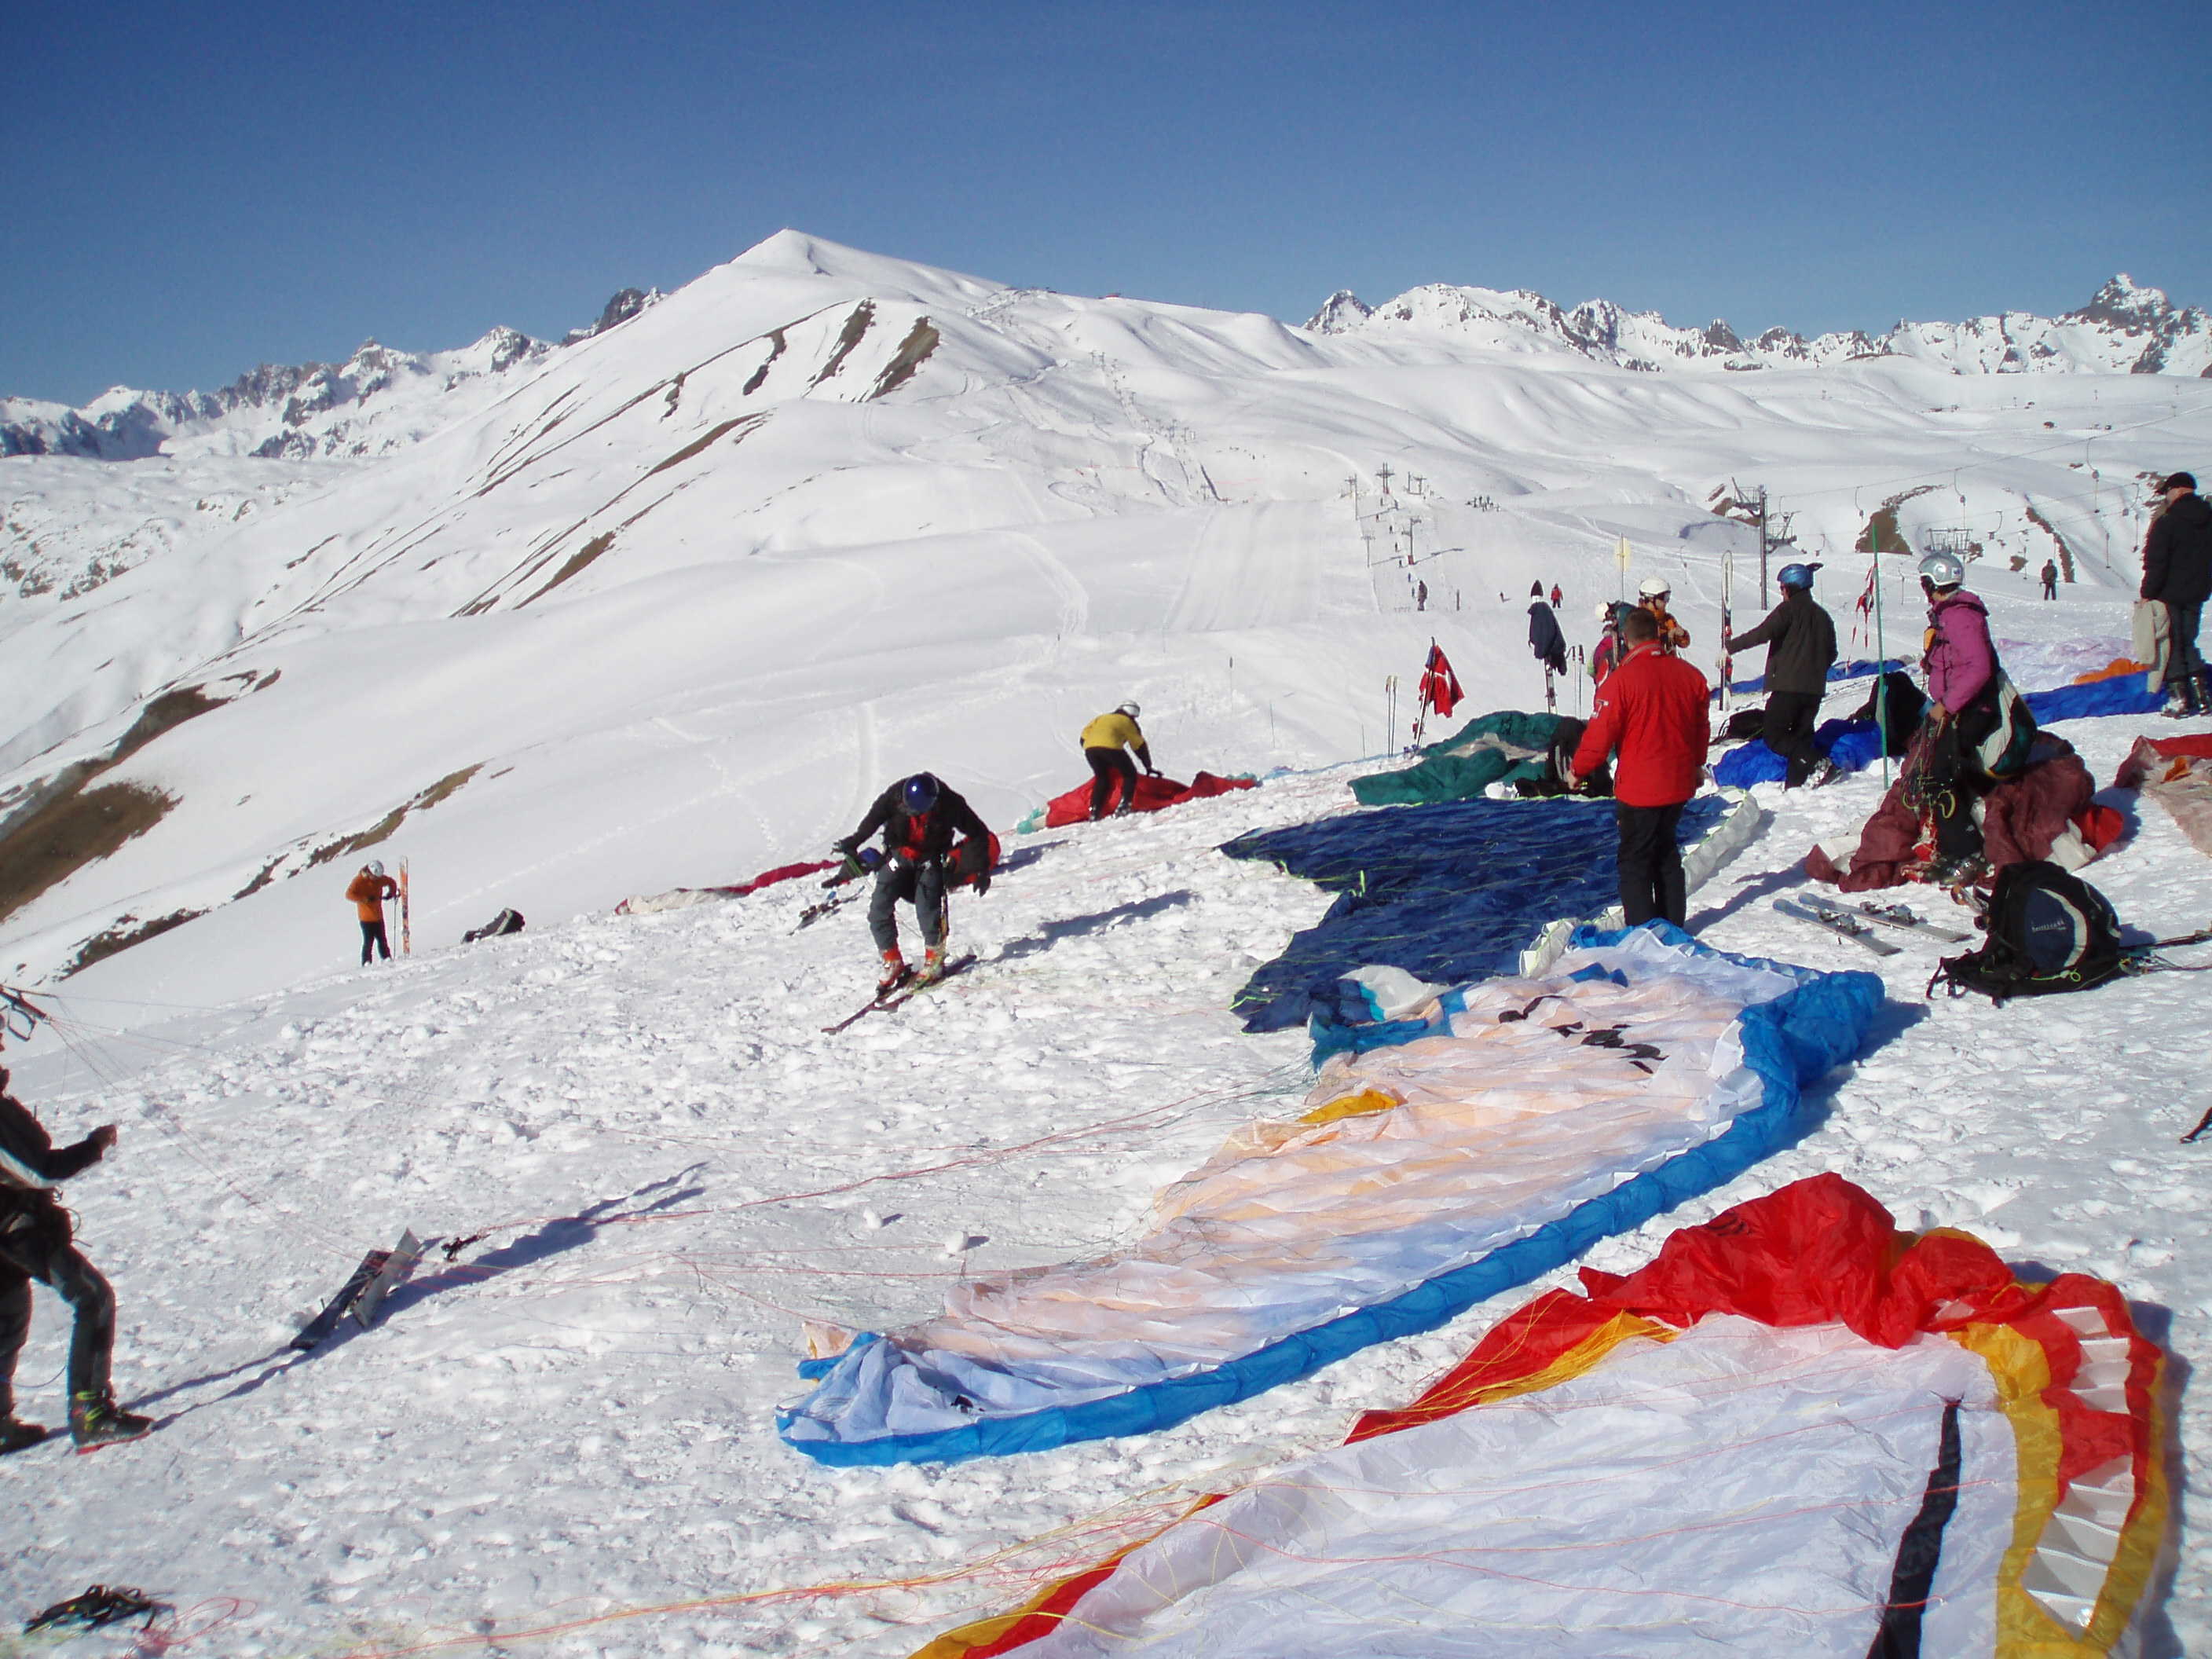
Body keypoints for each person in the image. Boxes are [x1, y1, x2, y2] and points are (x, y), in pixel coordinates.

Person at [0, 1057, 150, 1452]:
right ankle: (92, 1415)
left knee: (7, 1320)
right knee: (93, 1298)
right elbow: (42, 1173)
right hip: (16, 1231)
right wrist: (95, 1146)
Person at [1570, 609, 1710, 928]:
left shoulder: (1620, 683)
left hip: (1640, 788)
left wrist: (1578, 770)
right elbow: (1700, 727)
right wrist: (1697, 764)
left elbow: (1599, 734)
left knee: (1635, 860)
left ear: (1626, 639)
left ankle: (1642, 930)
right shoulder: (1691, 676)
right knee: (1666, 853)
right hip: (1678, 782)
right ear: (1657, 635)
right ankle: (1673, 923)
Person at [834, 773, 993, 992]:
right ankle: (893, 961)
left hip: (930, 858)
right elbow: (873, 820)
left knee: (927, 908)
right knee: (878, 908)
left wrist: (982, 869)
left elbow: (978, 832)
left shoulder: (950, 805)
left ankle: (934, 960)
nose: (910, 813)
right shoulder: (895, 796)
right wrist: (854, 841)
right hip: (899, 855)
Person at [1906, 551, 2002, 884]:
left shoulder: (1959, 616)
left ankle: (1966, 851)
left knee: (1941, 775)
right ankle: (1953, 846)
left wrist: (1947, 705)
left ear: (1933, 582)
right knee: (1941, 772)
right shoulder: (1950, 614)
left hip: (1969, 709)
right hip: (1960, 706)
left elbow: (1978, 667)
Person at [1722, 562, 1837, 788]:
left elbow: (1763, 633)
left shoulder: (1788, 610)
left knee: (1775, 737)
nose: (1781, 592)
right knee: (1802, 737)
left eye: (1783, 587)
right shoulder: (1823, 616)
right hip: (1814, 690)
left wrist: (1730, 647)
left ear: (1792, 587)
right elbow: (1832, 653)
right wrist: (1814, 669)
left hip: (1787, 688)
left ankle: (1818, 761)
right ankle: (1796, 786)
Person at [2142, 472, 2210, 717]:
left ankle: (2179, 700)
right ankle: (2203, 698)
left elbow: (2157, 561)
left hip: (2169, 592)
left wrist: (2148, 593)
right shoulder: (2208, 518)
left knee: (2171, 643)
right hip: (2198, 592)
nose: (2166, 498)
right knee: (2188, 641)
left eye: (2167, 492)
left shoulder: (2168, 521)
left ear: (2178, 490)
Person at [1079, 703, 1156, 821]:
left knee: (1102, 778)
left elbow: (1083, 737)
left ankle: (1094, 810)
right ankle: (1124, 805)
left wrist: (1093, 748)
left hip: (1090, 749)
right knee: (1130, 774)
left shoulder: (1102, 718)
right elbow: (1138, 745)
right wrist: (1148, 766)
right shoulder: (1128, 722)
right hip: (1111, 748)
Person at [346, 862, 399, 965]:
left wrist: (391, 893)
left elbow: (391, 882)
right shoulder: (359, 881)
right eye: (375, 877)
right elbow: (349, 894)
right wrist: (364, 899)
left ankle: (387, 959)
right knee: (368, 943)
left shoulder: (379, 879)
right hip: (366, 919)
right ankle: (366, 963)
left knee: (383, 940)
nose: (376, 880)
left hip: (378, 917)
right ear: (370, 873)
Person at [1636, 577, 1691, 651]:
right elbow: (1644, 645)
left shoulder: (1668, 620)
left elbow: (1684, 643)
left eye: (1668, 597)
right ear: (1651, 598)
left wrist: (1682, 635)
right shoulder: (1638, 619)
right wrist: (1666, 637)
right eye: (1664, 597)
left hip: (1668, 661)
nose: (1666, 601)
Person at [1527, 584, 1567, 679]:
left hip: (1553, 651)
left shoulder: (1540, 611)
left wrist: (1540, 651)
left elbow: (1545, 632)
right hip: (1553, 649)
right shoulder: (1540, 610)